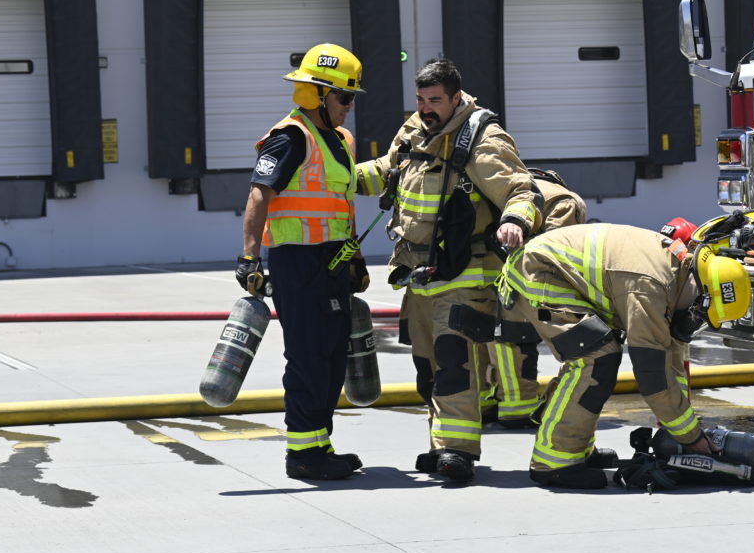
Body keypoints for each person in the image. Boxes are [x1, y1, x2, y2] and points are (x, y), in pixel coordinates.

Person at [355, 58, 543, 481]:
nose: (425, 108)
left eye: (435, 100)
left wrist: (515, 220)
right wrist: (339, 179)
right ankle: (440, 443)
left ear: (456, 97)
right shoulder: (415, 129)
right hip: (419, 271)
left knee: (455, 361)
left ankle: (457, 451)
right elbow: (387, 170)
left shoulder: (482, 137)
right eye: (420, 99)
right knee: (429, 368)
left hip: (466, 273)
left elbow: (521, 190)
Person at [496, 222, 752, 489]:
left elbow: (670, 360)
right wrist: (691, 438)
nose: (693, 323)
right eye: (699, 317)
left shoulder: (676, 273)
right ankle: (554, 463)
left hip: (549, 267)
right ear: (701, 298)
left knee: (598, 352)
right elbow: (653, 376)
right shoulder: (650, 288)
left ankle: (576, 447)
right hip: (538, 270)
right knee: (596, 358)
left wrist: (683, 429)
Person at [236, 43, 370, 481]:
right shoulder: (290, 137)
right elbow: (259, 194)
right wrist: (250, 258)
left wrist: (354, 257)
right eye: (344, 97)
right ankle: (303, 455)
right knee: (309, 356)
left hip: (332, 262)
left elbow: (341, 203)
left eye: (351, 97)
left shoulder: (340, 140)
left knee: (332, 356)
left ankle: (319, 443)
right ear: (318, 93)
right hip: (298, 263)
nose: (349, 106)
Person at [481, 170, 587, 429]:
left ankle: (486, 403)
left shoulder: (503, 187)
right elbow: (559, 249)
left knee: (485, 336)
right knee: (516, 336)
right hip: (524, 275)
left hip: (482, 272)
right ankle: (517, 407)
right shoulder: (564, 201)